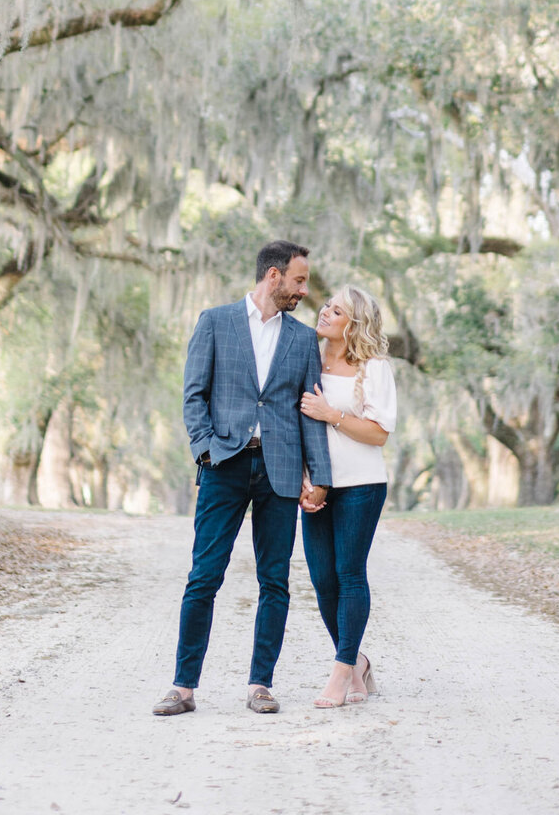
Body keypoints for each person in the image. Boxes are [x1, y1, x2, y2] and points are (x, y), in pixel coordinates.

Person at [153, 240, 333, 717]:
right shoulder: (215, 322)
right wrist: (206, 450)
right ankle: (183, 686)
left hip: (280, 470)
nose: (304, 290)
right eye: (298, 280)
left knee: (275, 581)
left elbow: (310, 414)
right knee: (203, 577)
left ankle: (260, 684)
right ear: (273, 277)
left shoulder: (301, 338)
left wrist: (319, 477)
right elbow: (194, 395)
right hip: (224, 466)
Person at [298, 284, 397, 708]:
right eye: (326, 305)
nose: (323, 312)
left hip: (361, 485)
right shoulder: (308, 360)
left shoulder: (373, 368)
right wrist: (304, 479)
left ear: (353, 324)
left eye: (335, 311)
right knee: (322, 579)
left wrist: (333, 415)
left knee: (349, 573)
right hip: (315, 484)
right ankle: (358, 663)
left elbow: (378, 434)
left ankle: (340, 674)